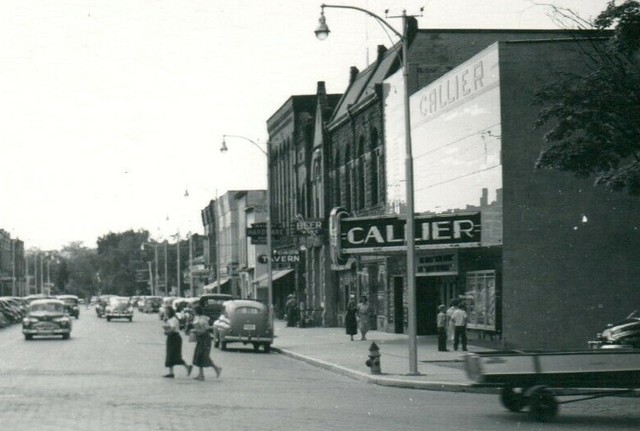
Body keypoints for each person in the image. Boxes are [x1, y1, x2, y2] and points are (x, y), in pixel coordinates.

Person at [190, 305, 222, 381]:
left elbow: (204, 330)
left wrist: (194, 331)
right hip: (200, 338)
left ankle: (216, 369)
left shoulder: (203, 319)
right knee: (198, 356)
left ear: (196, 311)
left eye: (194, 310)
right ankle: (201, 374)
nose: (193, 312)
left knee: (203, 356)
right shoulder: (196, 318)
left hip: (205, 339)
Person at [162, 307, 192, 378]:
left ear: (170, 312)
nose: (166, 313)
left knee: (174, 355)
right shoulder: (171, 319)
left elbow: (172, 329)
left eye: (167, 311)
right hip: (172, 338)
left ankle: (187, 367)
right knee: (170, 354)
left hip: (174, 338)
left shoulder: (173, 319)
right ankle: (171, 372)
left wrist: (166, 331)